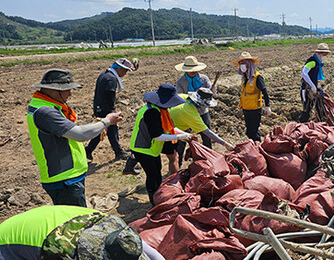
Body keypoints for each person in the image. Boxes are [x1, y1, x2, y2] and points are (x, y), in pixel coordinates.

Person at [27, 69, 123, 207]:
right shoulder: (45, 111)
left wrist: (96, 126)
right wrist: (106, 121)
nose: (70, 94)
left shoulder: (47, 106)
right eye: (67, 89)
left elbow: (68, 132)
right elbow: (80, 135)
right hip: (64, 179)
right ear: (54, 90)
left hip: (68, 175)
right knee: (76, 222)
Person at [0, 205, 164, 260]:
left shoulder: (117, 229)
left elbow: (152, 253)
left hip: (47, 220)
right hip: (9, 243)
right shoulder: (67, 251)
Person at [124, 83, 191, 206]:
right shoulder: (152, 113)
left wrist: (185, 135)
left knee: (157, 171)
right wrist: (180, 137)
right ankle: (154, 201)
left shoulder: (159, 110)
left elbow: (169, 128)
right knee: (153, 176)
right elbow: (158, 136)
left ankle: (156, 195)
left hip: (152, 148)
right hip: (143, 148)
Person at [164, 87, 235, 175]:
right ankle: (173, 176)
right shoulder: (191, 113)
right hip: (167, 130)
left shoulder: (184, 97)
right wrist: (225, 143)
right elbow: (207, 132)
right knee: (174, 157)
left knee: (176, 154)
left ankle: (174, 172)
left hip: (167, 121)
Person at [86, 58, 136, 161]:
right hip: (105, 109)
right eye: (125, 71)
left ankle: (88, 150)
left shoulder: (104, 75)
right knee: (112, 131)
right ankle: (119, 153)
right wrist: (113, 110)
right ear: (119, 69)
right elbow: (110, 95)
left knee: (101, 130)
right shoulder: (111, 79)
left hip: (99, 107)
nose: (125, 73)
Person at [174, 56, 214, 148]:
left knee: (207, 135)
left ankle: (208, 157)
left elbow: (210, 94)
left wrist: (212, 93)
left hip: (202, 111)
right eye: (190, 69)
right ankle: (179, 160)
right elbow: (180, 98)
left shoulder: (204, 79)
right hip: (186, 113)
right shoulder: (180, 82)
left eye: (195, 69)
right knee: (182, 138)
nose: (193, 71)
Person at [232, 51, 272, 141]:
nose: (242, 66)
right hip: (246, 108)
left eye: (244, 63)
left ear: (249, 64)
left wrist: (267, 106)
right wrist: (242, 107)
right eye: (240, 63)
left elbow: (265, 92)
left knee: (253, 132)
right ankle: (253, 148)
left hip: (255, 109)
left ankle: (258, 149)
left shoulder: (257, 77)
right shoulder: (244, 78)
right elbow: (244, 94)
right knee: (249, 132)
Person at [300, 43, 330, 123]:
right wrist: (312, 86)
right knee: (307, 109)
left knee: (316, 106)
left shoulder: (317, 63)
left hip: (312, 89)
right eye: (324, 54)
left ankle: (320, 122)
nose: (325, 56)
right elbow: (303, 74)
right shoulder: (312, 61)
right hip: (307, 90)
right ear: (319, 53)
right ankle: (301, 124)